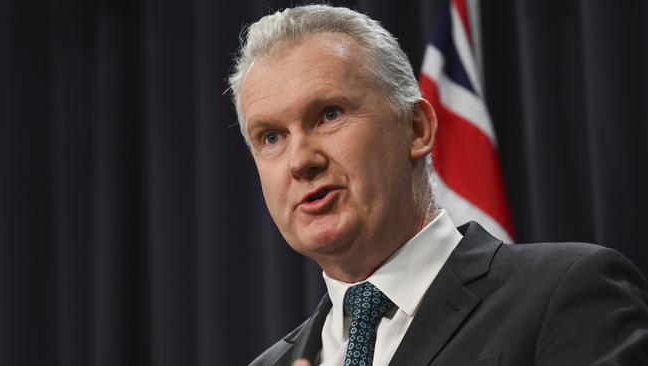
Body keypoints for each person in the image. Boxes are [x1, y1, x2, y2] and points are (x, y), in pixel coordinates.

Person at [228, 4, 648, 366]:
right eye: (270, 137)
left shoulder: (566, 292)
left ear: (416, 128)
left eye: (330, 114)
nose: (300, 160)